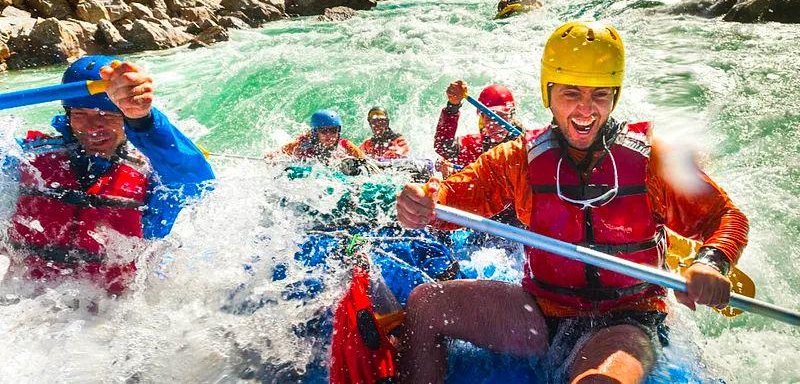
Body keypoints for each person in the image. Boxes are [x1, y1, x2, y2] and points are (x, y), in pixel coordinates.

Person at [396, 21, 749, 384]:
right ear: (548, 94)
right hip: (540, 312)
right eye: (571, 94)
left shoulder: (652, 160)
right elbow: (451, 200)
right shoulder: (519, 158)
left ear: (615, 96)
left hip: (626, 318)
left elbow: (725, 216)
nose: (586, 110)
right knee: (426, 304)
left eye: (600, 95)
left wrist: (712, 262)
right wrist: (423, 202)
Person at [3, 56, 215, 295]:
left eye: (107, 114)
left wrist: (143, 121)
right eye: (81, 114)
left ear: (126, 117)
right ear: (67, 113)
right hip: (25, 302)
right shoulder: (27, 158)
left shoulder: (151, 173)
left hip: (111, 316)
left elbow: (196, 182)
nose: (93, 127)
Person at [434, 81, 524, 169]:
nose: (496, 125)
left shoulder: (526, 145)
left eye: (502, 117)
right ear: (483, 120)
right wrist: (453, 106)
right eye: (489, 118)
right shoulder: (477, 147)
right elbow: (443, 147)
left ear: (512, 117)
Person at [274, 109, 364, 163]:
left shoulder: (345, 146)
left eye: (333, 130)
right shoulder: (302, 145)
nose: (329, 135)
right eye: (324, 131)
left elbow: (366, 161)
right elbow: (273, 156)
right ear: (315, 132)